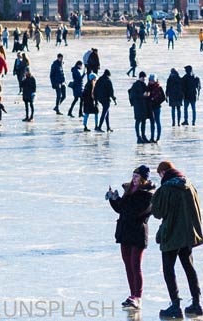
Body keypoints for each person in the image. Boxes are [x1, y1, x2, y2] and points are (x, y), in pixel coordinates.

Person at [152, 161, 203, 319]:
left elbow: (158, 213)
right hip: (188, 234)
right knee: (188, 266)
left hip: (171, 235)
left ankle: (175, 306)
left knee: (168, 269)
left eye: (160, 173)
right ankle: (197, 303)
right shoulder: (190, 185)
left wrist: (155, 198)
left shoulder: (166, 189)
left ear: (163, 173)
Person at [106, 165, 155, 311]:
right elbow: (121, 210)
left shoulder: (148, 194)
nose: (134, 179)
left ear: (143, 179)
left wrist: (119, 200)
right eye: (133, 175)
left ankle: (137, 297)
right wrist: (113, 199)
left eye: (137, 176)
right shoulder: (128, 190)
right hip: (125, 231)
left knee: (135, 265)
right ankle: (132, 295)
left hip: (138, 232)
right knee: (128, 265)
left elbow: (134, 211)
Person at [129, 72, 149, 143]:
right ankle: (138, 137)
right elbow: (133, 95)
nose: (144, 79)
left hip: (143, 105)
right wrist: (142, 95)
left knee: (144, 121)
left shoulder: (143, 84)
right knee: (138, 121)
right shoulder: (136, 85)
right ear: (140, 77)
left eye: (145, 78)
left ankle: (143, 136)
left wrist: (147, 94)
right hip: (138, 106)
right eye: (143, 77)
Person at [146, 74, 165, 142]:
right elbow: (146, 96)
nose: (151, 82)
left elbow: (163, 98)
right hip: (150, 107)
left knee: (157, 121)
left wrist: (157, 102)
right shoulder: (148, 87)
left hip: (157, 107)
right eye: (150, 80)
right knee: (152, 122)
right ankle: (152, 137)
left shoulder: (159, 87)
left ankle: (158, 137)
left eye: (153, 80)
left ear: (155, 80)